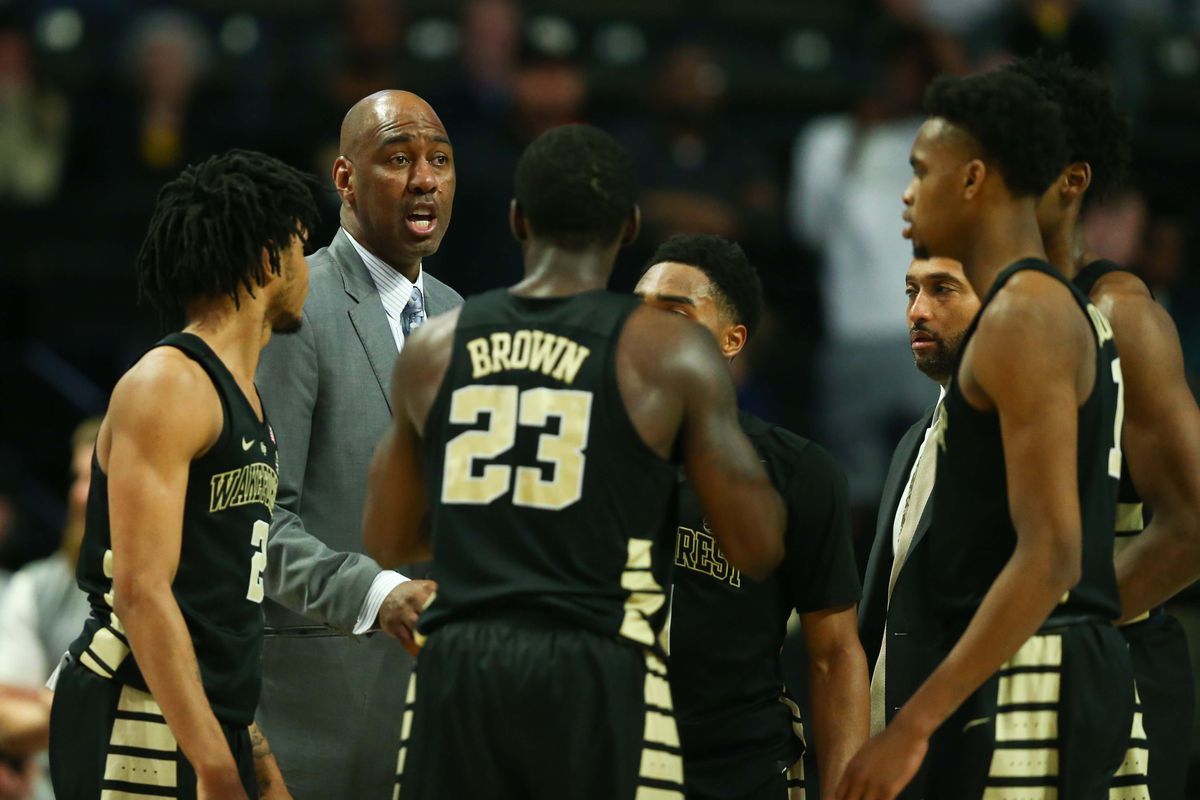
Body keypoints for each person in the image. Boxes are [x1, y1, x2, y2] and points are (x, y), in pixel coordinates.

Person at [363, 123, 786, 800]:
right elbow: (756, 543)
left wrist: (498, 520)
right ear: (630, 227)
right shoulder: (666, 351)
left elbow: (386, 536)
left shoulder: (434, 347)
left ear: (517, 219)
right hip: (589, 661)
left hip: (462, 658)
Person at [836, 68, 1133, 800]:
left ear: (972, 179)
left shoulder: (1022, 315)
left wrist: (911, 726)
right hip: (1037, 663)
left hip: (1036, 671)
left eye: (918, 171)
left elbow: (1053, 553)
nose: (905, 194)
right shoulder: (1032, 302)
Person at [47, 148, 316, 800]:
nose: (309, 269)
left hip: (201, 717)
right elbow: (141, 591)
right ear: (269, 259)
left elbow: (215, 602)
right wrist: (217, 767)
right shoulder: (171, 384)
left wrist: (247, 748)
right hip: (135, 710)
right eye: (302, 248)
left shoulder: (245, 398)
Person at [253, 89, 461, 800]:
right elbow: (258, 524)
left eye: (439, 159)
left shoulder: (468, 318)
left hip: (442, 715)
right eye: (398, 159)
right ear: (344, 178)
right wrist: (378, 592)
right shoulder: (295, 305)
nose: (424, 179)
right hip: (316, 716)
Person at [1017, 53, 1200, 800]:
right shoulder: (982, 314)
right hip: (1014, 667)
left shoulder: (1119, 311)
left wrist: (1056, 625)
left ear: (1071, 179)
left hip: (1114, 666)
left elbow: (1193, 522)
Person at [634, 233, 868, 799]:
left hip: (739, 772)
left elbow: (834, 655)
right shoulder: (580, 448)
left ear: (732, 340)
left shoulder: (799, 473)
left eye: (675, 311)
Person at [857, 257, 980, 799]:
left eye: (943, 290)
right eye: (911, 291)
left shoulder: (1020, 439)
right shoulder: (913, 440)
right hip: (895, 762)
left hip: (972, 757)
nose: (917, 311)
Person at [0, 418, 98, 800]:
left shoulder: (191, 583)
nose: (81, 493)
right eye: (79, 477)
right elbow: (5, 715)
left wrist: (49, 704)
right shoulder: (39, 586)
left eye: (97, 476)